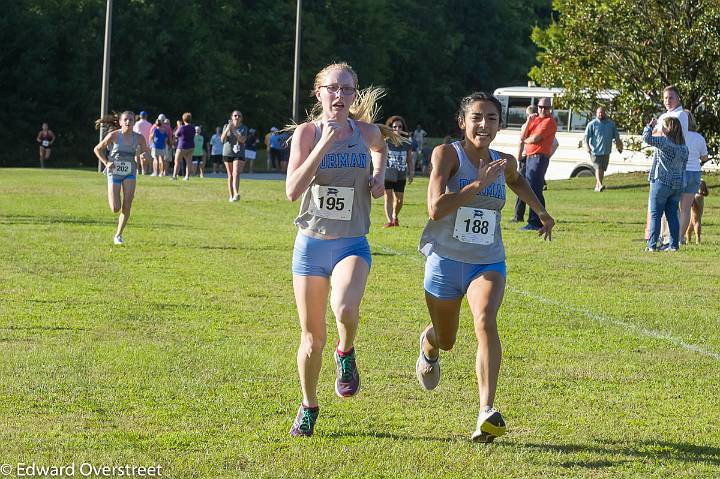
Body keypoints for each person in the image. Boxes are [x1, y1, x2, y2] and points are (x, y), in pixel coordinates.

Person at [416, 92, 554, 443]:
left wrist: (539, 211)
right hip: (445, 260)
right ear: (462, 122)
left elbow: (517, 180)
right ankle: (428, 345)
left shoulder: (503, 161)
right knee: (446, 340)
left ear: (499, 124)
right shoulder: (447, 155)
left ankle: (486, 412)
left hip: (487, 260)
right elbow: (435, 208)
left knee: (485, 320)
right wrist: (476, 185)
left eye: (491, 118)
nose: (484, 124)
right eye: (476, 117)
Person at [285, 62, 400, 438]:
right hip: (311, 247)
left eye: (347, 89)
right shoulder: (306, 133)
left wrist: (379, 174)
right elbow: (292, 191)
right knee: (311, 338)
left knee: (345, 308)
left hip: (352, 242)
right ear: (318, 93)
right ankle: (308, 405)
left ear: (354, 95)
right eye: (332, 89)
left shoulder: (365, 132)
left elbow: (380, 147)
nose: (339, 96)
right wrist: (324, 143)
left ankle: (346, 352)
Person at [93, 111, 152, 245]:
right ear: (120, 122)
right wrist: (106, 162)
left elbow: (148, 155)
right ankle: (111, 193)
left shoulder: (139, 138)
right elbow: (97, 149)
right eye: (125, 120)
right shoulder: (113, 135)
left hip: (130, 172)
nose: (128, 122)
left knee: (127, 204)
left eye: (131, 120)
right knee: (115, 208)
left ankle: (118, 235)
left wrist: (145, 157)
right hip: (114, 172)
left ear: (134, 122)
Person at [645, 86, 690, 239]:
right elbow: (657, 134)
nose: (667, 101)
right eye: (665, 98)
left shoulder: (679, 115)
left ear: (678, 99)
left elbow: (655, 136)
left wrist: (655, 131)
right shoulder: (666, 115)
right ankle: (667, 239)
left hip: (668, 169)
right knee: (667, 208)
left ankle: (662, 239)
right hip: (668, 165)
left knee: (662, 208)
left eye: (671, 97)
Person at [643, 116, 688, 252]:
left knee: (655, 214)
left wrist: (649, 127)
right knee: (672, 215)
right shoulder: (684, 148)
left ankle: (652, 245)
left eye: (662, 125)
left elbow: (646, 138)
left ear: (668, 128)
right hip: (677, 185)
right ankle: (674, 245)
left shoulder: (664, 142)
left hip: (661, 183)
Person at [519, 97, 557, 231]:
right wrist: (529, 121)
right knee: (531, 189)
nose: (543, 110)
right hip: (530, 157)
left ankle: (536, 222)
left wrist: (526, 140)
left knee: (535, 190)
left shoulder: (549, 122)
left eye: (546, 107)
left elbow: (536, 138)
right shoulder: (535, 120)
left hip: (539, 158)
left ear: (550, 109)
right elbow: (523, 136)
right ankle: (537, 220)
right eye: (540, 107)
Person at [679, 111, 708, 243]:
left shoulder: (679, 136)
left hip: (681, 172)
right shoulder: (699, 137)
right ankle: (681, 238)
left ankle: (675, 236)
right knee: (686, 210)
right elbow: (704, 157)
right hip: (695, 173)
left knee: (676, 208)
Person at [382, 115, 414, 227]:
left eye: (400, 126)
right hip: (388, 173)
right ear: (391, 127)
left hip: (401, 174)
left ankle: (395, 216)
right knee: (388, 197)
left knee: (399, 200)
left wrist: (411, 172)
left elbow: (409, 159)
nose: (397, 129)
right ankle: (390, 221)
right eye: (395, 126)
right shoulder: (386, 141)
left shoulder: (407, 142)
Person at [584, 107, 623, 192]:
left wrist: (619, 146)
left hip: (606, 151)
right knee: (598, 168)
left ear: (605, 113)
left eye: (602, 112)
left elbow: (616, 137)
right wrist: (587, 146)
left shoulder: (611, 124)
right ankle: (600, 184)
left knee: (602, 169)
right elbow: (586, 137)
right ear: (596, 114)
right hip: (595, 151)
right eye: (599, 113)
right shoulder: (592, 124)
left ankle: (597, 187)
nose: (600, 114)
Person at [221, 110, 248, 201]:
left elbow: (242, 140)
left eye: (239, 116)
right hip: (227, 152)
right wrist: (228, 129)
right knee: (230, 175)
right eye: (235, 115)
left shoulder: (244, 128)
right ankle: (231, 196)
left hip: (239, 153)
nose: (237, 117)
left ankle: (236, 194)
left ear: (241, 118)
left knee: (236, 173)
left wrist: (234, 131)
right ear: (232, 117)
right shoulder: (226, 126)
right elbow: (222, 139)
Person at [172, 113, 195, 181]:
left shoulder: (182, 127)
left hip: (182, 146)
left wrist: (179, 126)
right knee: (189, 162)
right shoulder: (193, 128)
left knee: (177, 162)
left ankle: (174, 176)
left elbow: (176, 134)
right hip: (191, 146)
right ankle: (187, 177)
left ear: (183, 119)